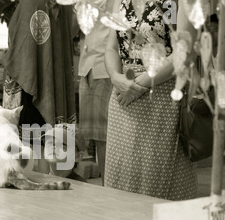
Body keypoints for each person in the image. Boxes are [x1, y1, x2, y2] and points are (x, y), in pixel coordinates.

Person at [104, 0, 198, 200]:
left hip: (163, 97)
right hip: (123, 98)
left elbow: (185, 51)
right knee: (121, 178)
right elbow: (111, 48)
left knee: (159, 179)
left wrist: (142, 83)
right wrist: (115, 76)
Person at [1, 0, 78, 176]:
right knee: (48, 139)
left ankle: (38, 181)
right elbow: (72, 31)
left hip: (30, 78)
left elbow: (21, 49)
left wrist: (9, 59)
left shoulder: (32, 2)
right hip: (53, 77)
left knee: (32, 139)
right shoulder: (64, 4)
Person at [77, 0, 115, 186]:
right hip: (89, 66)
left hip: (105, 67)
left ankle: (109, 186)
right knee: (96, 136)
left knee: (105, 136)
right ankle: (106, 185)